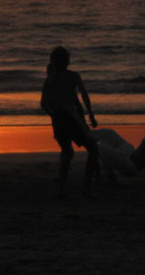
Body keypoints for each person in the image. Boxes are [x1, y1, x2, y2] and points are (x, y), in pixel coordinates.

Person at [41, 46, 99, 197]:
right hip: (71, 117)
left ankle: (62, 189)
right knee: (93, 149)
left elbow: (43, 103)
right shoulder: (73, 76)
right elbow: (84, 95)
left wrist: (53, 115)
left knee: (66, 152)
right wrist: (91, 115)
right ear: (66, 61)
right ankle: (87, 187)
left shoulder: (49, 80)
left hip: (58, 119)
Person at [92, 110, 145, 184]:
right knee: (110, 133)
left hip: (130, 165)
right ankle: (87, 132)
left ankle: (110, 176)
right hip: (129, 153)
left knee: (100, 147)